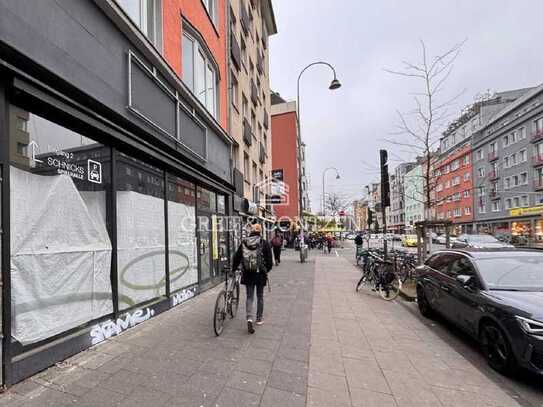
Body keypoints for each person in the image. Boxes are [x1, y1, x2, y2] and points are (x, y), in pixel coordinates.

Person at [232, 223, 273, 334]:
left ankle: (249, 317)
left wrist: (233, 269)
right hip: (260, 274)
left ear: (251, 231)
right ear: (260, 232)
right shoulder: (264, 243)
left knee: (249, 297)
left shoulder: (245, 242)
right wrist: (266, 271)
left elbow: (237, 257)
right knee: (260, 296)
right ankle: (259, 319)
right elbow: (270, 262)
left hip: (248, 274)